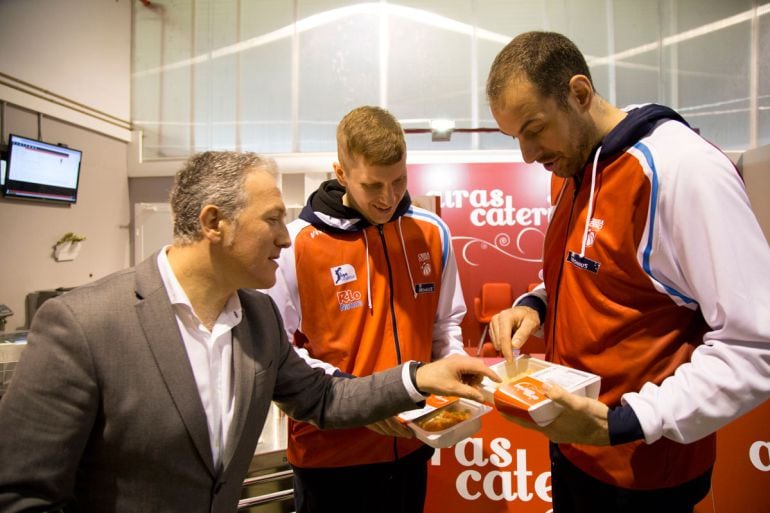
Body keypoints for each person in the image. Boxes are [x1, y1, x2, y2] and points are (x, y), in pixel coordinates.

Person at [0, 151, 498, 513]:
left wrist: (419, 377)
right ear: (214, 223)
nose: (287, 237)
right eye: (273, 221)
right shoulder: (83, 324)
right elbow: (21, 494)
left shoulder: (257, 319)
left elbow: (323, 398)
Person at [485, 31, 770, 512]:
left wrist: (621, 422)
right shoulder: (577, 172)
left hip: (643, 472)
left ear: (578, 93)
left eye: (534, 128)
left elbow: (755, 344)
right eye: (516, 138)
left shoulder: (684, 170)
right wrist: (536, 304)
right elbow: (604, 276)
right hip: (577, 453)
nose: (527, 155)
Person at [265, 105, 468, 513]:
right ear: (340, 174)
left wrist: (456, 373)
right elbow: (278, 355)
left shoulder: (432, 232)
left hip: (412, 448)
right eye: (373, 185)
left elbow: (446, 327)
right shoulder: (295, 245)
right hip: (330, 459)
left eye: (399, 181)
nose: (389, 197)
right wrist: (359, 400)